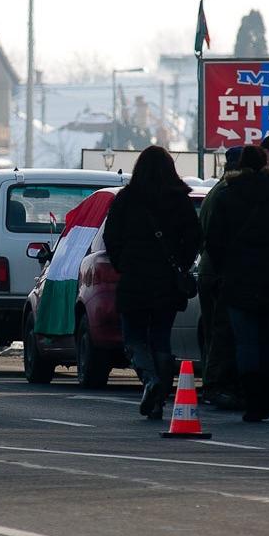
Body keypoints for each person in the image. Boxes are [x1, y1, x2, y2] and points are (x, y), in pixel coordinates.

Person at [102, 146, 201, 420]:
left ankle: (150, 380)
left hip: (134, 278)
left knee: (133, 337)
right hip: (167, 281)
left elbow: (112, 236)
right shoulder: (180, 200)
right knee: (161, 337)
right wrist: (181, 263)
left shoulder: (127, 198)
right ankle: (160, 397)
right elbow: (194, 237)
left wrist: (122, 262)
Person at [205, 146, 269, 422]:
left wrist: (227, 268)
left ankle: (251, 399)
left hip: (238, 279)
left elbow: (214, 241)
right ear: (265, 165)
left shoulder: (227, 195)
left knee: (245, 341)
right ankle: (267, 397)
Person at [197, 145, 244, 409]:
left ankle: (214, 382)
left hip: (211, 269)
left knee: (217, 330)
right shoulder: (224, 194)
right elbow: (213, 237)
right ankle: (215, 384)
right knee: (220, 331)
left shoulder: (219, 191)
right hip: (216, 271)